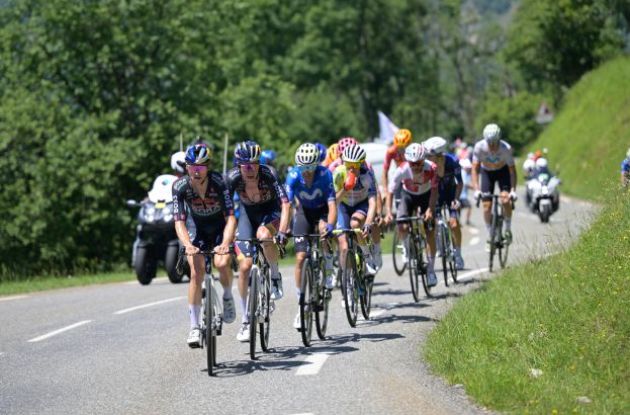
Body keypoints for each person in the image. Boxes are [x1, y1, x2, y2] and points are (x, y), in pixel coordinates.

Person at [172, 143, 237, 348]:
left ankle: (227, 296)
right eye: (192, 166)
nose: (196, 171)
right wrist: (187, 245)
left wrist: (226, 243)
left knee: (222, 262)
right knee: (195, 271)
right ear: (187, 167)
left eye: (201, 167)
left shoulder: (220, 182)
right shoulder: (180, 187)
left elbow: (231, 218)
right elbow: (179, 221)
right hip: (196, 229)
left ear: (208, 167)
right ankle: (194, 326)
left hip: (219, 228)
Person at [226, 140, 291, 342]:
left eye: (254, 164)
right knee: (244, 266)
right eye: (245, 165)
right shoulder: (232, 178)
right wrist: (225, 236)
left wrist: (281, 231)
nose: (250, 169)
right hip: (247, 214)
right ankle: (246, 320)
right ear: (238, 165)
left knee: (263, 235)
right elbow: (224, 210)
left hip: (270, 212)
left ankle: (273, 275)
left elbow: (285, 204)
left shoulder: (269, 173)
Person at [286, 143, 337, 329]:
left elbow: (332, 206)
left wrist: (330, 225)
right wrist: (284, 229)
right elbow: (287, 205)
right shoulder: (292, 176)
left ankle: (329, 269)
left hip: (323, 211)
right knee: (300, 258)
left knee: (324, 234)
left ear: (316, 164)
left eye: (310, 167)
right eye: (303, 167)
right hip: (304, 213)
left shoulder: (325, 175)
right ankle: (301, 306)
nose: (306, 172)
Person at [385, 143, 439, 286]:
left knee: (430, 230)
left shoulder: (432, 168)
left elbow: (434, 190)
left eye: (419, 163)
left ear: (424, 160)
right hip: (408, 195)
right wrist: (389, 212)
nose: (416, 166)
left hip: (426, 196)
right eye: (412, 163)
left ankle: (431, 270)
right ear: (408, 161)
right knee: (401, 224)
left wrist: (430, 209)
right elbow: (390, 191)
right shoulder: (402, 170)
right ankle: (406, 248)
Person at [332, 143, 378, 276]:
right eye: (348, 165)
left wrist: (368, 223)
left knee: (355, 224)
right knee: (343, 245)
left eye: (356, 166)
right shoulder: (339, 172)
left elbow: (373, 201)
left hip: (361, 204)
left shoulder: (367, 174)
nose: (351, 169)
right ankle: (347, 282)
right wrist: (345, 189)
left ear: (362, 163)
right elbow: (334, 201)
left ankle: (368, 256)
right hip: (343, 206)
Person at [471, 123, 517, 250]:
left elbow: (512, 171)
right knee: (486, 207)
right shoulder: (479, 147)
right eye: (489, 142)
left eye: (494, 142)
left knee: (505, 199)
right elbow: (475, 169)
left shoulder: (505, 148)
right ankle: (490, 235)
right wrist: (476, 189)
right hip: (487, 174)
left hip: (503, 173)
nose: (492, 145)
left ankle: (507, 229)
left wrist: (513, 190)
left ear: (499, 139)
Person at [423, 136, 465, 270]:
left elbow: (460, 183)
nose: (428, 158)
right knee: (433, 224)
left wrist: (457, 199)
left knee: (454, 223)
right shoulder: (427, 165)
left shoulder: (453, 161)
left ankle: (458, 253)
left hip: (451, 192)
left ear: (439, 155)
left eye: (430, 155)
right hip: (436, 193)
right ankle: (439, 244)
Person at [458, 158, 473, 225]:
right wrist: (474, 187)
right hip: (462, 195)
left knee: (459, 208)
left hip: (461, 195)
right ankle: (466, 220)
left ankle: (459, 221)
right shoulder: (463, 173)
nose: (469, 169)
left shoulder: (466, 173)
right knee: (469, 206)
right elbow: (465, 183)